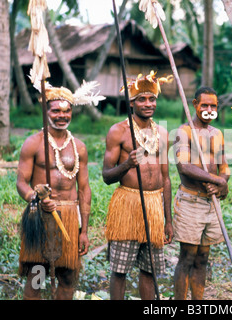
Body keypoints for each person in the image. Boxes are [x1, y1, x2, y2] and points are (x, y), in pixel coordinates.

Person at [16, 85, 92, 300]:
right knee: (37, 276)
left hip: (69, 217)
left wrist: (84, 230)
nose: (62, 116)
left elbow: (85, 190)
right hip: (40, 217)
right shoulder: (33, 143)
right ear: (46, 112)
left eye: (66, 111)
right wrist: (37, 198)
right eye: (56, 111)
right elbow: (21, 183)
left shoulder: (79, 147)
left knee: (68, 277)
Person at [102, 71, 173, 300]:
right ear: (131, 102)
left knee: (149, 269)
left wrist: (168, 219)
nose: (148, 103)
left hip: (154, 206)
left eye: (152, 99)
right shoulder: (119, 131)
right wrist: (127, 164)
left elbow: (167, 178)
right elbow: (106, 176)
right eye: (141, 99)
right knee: (120, 269)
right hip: (128, 204)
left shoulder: (162, 133)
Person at [172, 86, 230, 300]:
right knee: (187, 257)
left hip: (211, 203)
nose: (208, 108)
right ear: (195, 104)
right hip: (191, 201)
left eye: (213, 105)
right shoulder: (184, 131)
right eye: (204, 104)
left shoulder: (217, 133)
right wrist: (215, 180)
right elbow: (184, 167)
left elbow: (225, 168)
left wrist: (222, 183)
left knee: (203, 258)